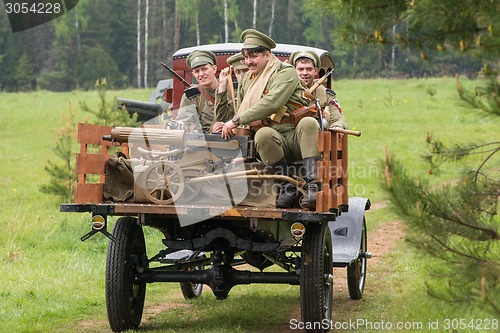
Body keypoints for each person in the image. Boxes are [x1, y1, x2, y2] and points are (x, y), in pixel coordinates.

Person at [221, 29, 321, 210]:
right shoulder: (247, 79)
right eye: (246, 57)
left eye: (254, 56)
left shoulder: (285, 72)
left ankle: (313, 187)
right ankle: (287, 188)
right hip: (274, 141)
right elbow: (242, 110)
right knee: (262, 134)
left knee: (309, 123)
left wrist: (234, 121)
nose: (249, 61)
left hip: (297, 136)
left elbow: (272, 102)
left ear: (267, 55)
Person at [289, 50, 347, 130]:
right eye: (301, 69)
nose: (305, 73)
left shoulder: (326, 94)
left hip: (318, 139)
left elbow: (338, 119)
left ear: (316, 71)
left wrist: (337, 126)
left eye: (309, 69)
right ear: (294, 71)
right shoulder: (285, 91)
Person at [175, 50, 218, 133]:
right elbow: (183, 121)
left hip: (233, 141)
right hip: (205, 143)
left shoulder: (231, 91)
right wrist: (178, 127)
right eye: (197, 71)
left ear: (214, 69)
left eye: (204, 69)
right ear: (193, 74)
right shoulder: (192, 96)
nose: (201, 74)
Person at [212, 52, 248, 132]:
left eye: (246, 71)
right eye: (238, 72)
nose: (242, 76)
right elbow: (222, 118)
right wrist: (222, 85)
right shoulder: (238, 97)